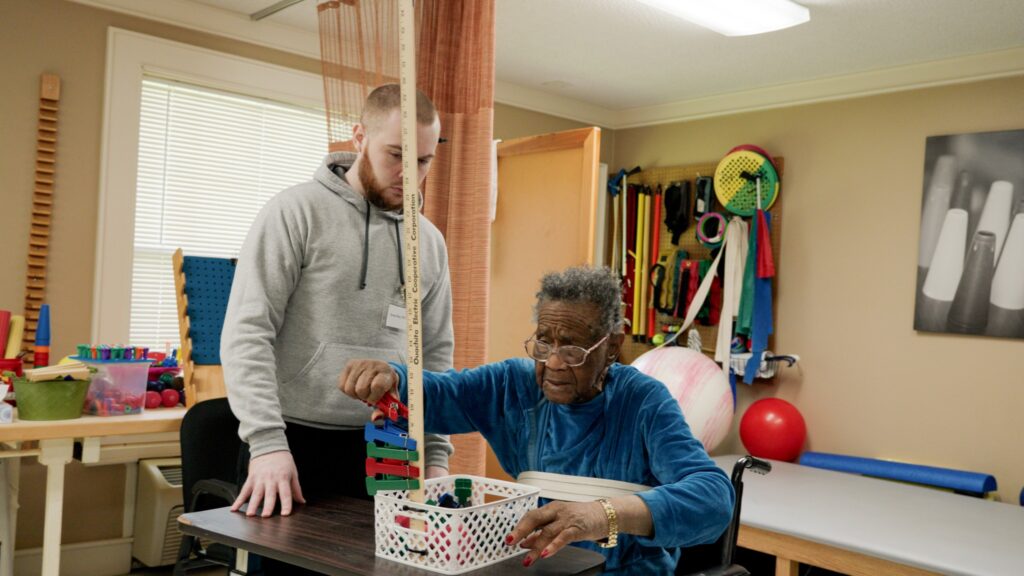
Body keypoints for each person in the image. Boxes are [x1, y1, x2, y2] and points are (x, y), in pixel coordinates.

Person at [339, 266, 733, 574]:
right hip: (535, 569)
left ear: (612, 346)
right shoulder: (514, 384)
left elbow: (714, 498)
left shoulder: (644, 402)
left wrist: (603, 515)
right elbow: (442, 393)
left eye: (574, 348)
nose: (555, 362)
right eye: (544, 342)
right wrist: (394, 377)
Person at [220, 84, 455, 521]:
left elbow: (435, 357)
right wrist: (267, 442)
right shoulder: (295, 212)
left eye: (423, 161)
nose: (409, 173)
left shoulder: (429, 243)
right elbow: (247, 333)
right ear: (359, 137)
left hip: (393, 439)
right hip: (293, 442)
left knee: (390, 570)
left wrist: (437, 454)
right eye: (396, 155)